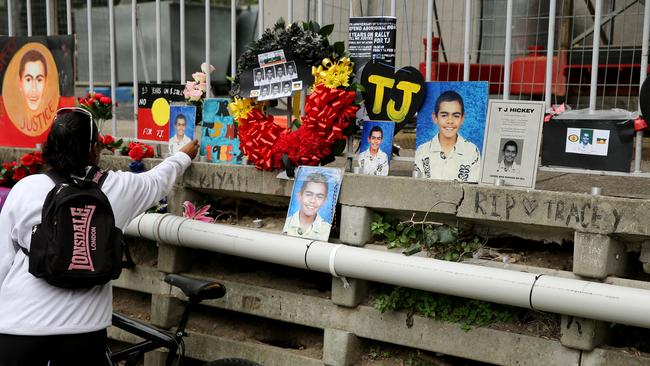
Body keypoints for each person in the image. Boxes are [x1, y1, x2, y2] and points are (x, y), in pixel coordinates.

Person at [0, 107, 199, 365]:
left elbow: (3, 259)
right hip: (83, 333)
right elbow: (157, 180)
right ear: (94, 149)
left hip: (20, 329)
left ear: (49, 146)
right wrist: (182, 157)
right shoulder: (116, 189)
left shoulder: (25, 189)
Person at [414, 90, 481, 182]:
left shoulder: (472, 151)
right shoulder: (422, 151)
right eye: (444, 115)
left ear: (462, 118)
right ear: (435, 118)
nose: (450, 121)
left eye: (456, 116)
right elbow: (416, 186)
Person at [283, 172, 332, 240]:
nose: (312, 200)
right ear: (300, 196)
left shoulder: (326, 228)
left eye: (319, 196)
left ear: (324, 201)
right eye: (309, 194)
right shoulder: (288, 223)